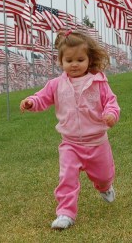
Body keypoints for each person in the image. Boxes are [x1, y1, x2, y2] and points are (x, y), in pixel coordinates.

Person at [20, 30, 120, 230]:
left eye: (80, 59)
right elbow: (42, 98)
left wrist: (111, 115)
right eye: (69, 60)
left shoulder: (98, 81)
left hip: (97, 143)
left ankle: (104, 187)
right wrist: (32, 102)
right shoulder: (56, 85)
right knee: (66, 177)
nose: (74, 64)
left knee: (103, 176)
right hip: (70, 143)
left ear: (89, 59)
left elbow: (111, 103)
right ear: (61, 62)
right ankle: (65, 213)